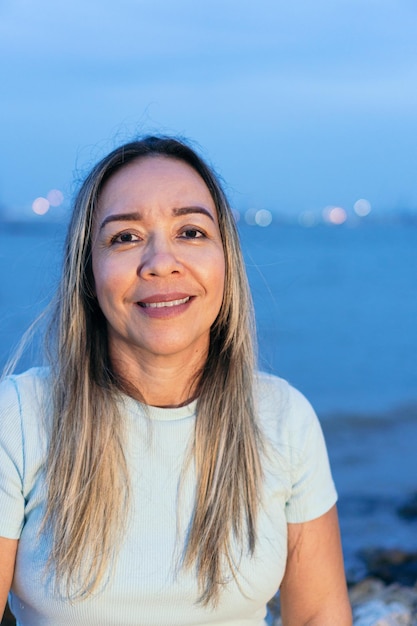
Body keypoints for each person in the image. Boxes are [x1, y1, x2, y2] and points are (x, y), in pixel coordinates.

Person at [0, 136, 352, 625]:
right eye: (125, 237)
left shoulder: (283, 419)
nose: (161, 262)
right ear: (87, 272)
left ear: (225, 261)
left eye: (190, 232)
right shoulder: (18, 417)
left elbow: (318, 615)